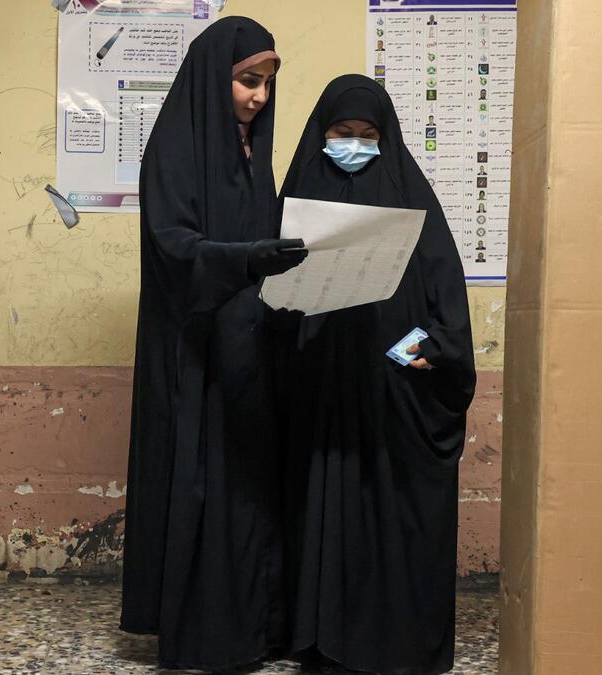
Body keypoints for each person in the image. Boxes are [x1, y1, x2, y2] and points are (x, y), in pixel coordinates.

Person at [120, 16, 306, 671]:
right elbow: (174, 247)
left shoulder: (250, 152)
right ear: (213, 77)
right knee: (203, 481)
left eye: (267, 83)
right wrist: (250, 256)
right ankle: (203, 630)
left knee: (247, 484)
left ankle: (253, 623)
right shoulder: (174, 146)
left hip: (247, 344)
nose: (258, 95)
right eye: (246, 80)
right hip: (193, 348)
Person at [276, 74, 475, 674]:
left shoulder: (410, 196)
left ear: (387, 138)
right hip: (320, 394)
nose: (355, 145)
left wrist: (419, 349)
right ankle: (318, 635)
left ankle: (391, 636)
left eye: (368, 135)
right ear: (322, 135)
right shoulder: (300, 196)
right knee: (319, 508)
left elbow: (445, 303)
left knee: (391, 510)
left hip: (395, 390)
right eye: (343, 133)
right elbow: (265, 292)